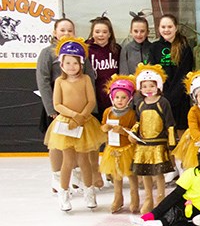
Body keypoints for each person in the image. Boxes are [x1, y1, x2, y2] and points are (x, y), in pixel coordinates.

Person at [83, 140, 200, 226]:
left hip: (198, 216)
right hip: (177, 209)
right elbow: (174, 197)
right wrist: (154, 214)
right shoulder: (191, 173)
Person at [44, 38, 106, 211]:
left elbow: (91, 101)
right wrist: (72, 116)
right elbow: (57, 104)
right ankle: (63, 193)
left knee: (84, 160)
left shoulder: (86, 79)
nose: (72, 66)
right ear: (61, 64)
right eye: (68, 63)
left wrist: (81, 116)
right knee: (68, 161)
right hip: (66, 124)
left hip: (84, 123)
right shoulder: (59, 82)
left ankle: (89, 191)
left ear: (81, 63)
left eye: (75, 63)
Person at [36, 18, 96, 193]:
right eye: (62, 30)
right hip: (58, 108)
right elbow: (43, 81)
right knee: (57, 144)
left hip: (79, 109)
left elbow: (89, 77)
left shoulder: (81, 52)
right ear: (55, 32)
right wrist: (52, 109)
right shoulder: (47, 53)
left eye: (70, 30)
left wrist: (86, 108)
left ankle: (77, 175)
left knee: (77, 142)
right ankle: (56, 176)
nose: (66, 33)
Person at [130, 63, 176, 214]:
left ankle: (161, 198)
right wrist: (134, 133)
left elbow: (170, 123)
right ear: (140, 88)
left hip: (158, 144)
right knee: (145, 172)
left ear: (158, 86)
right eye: (145, 86)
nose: (148, 89)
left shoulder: (163, 103)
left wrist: (171, 143)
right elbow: (139, 121)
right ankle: (148, 197)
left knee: (158, 172)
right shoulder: (141, 103)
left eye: (151, 85)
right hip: (144, 144)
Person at [99, 74, 139, 213]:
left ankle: (135, 198)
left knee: (131, 175)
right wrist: (104, 128)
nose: (120, 100)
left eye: (123, 97)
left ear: (129, 99)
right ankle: (118, 197)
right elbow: (103, 126)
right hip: (113, 149)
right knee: (116, 175)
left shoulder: (131, 114)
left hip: (127, 149)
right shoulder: (108, 112)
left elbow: (134, 132)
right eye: (117, 97)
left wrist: (123, 130)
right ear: (112, 98)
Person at [148, 14, 194, 133]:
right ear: (159, 28)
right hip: (162, 97)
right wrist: (163, 95)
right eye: (163, 27)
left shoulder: (184, 47)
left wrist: (173, 96)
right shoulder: (153, 48)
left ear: (176, 28)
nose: (166, 30)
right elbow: (154, 73)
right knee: (165, 132)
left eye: (169, 26)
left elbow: (184, 73)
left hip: (180, 98)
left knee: (181, 131)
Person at [87, 16, 121, 119]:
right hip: (94, 97)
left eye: (104, 32)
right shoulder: (86, 49)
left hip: (113, 98)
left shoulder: (117, 49)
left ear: (110, 34)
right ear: (92, 33)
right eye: (97, 32)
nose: (101, 35)